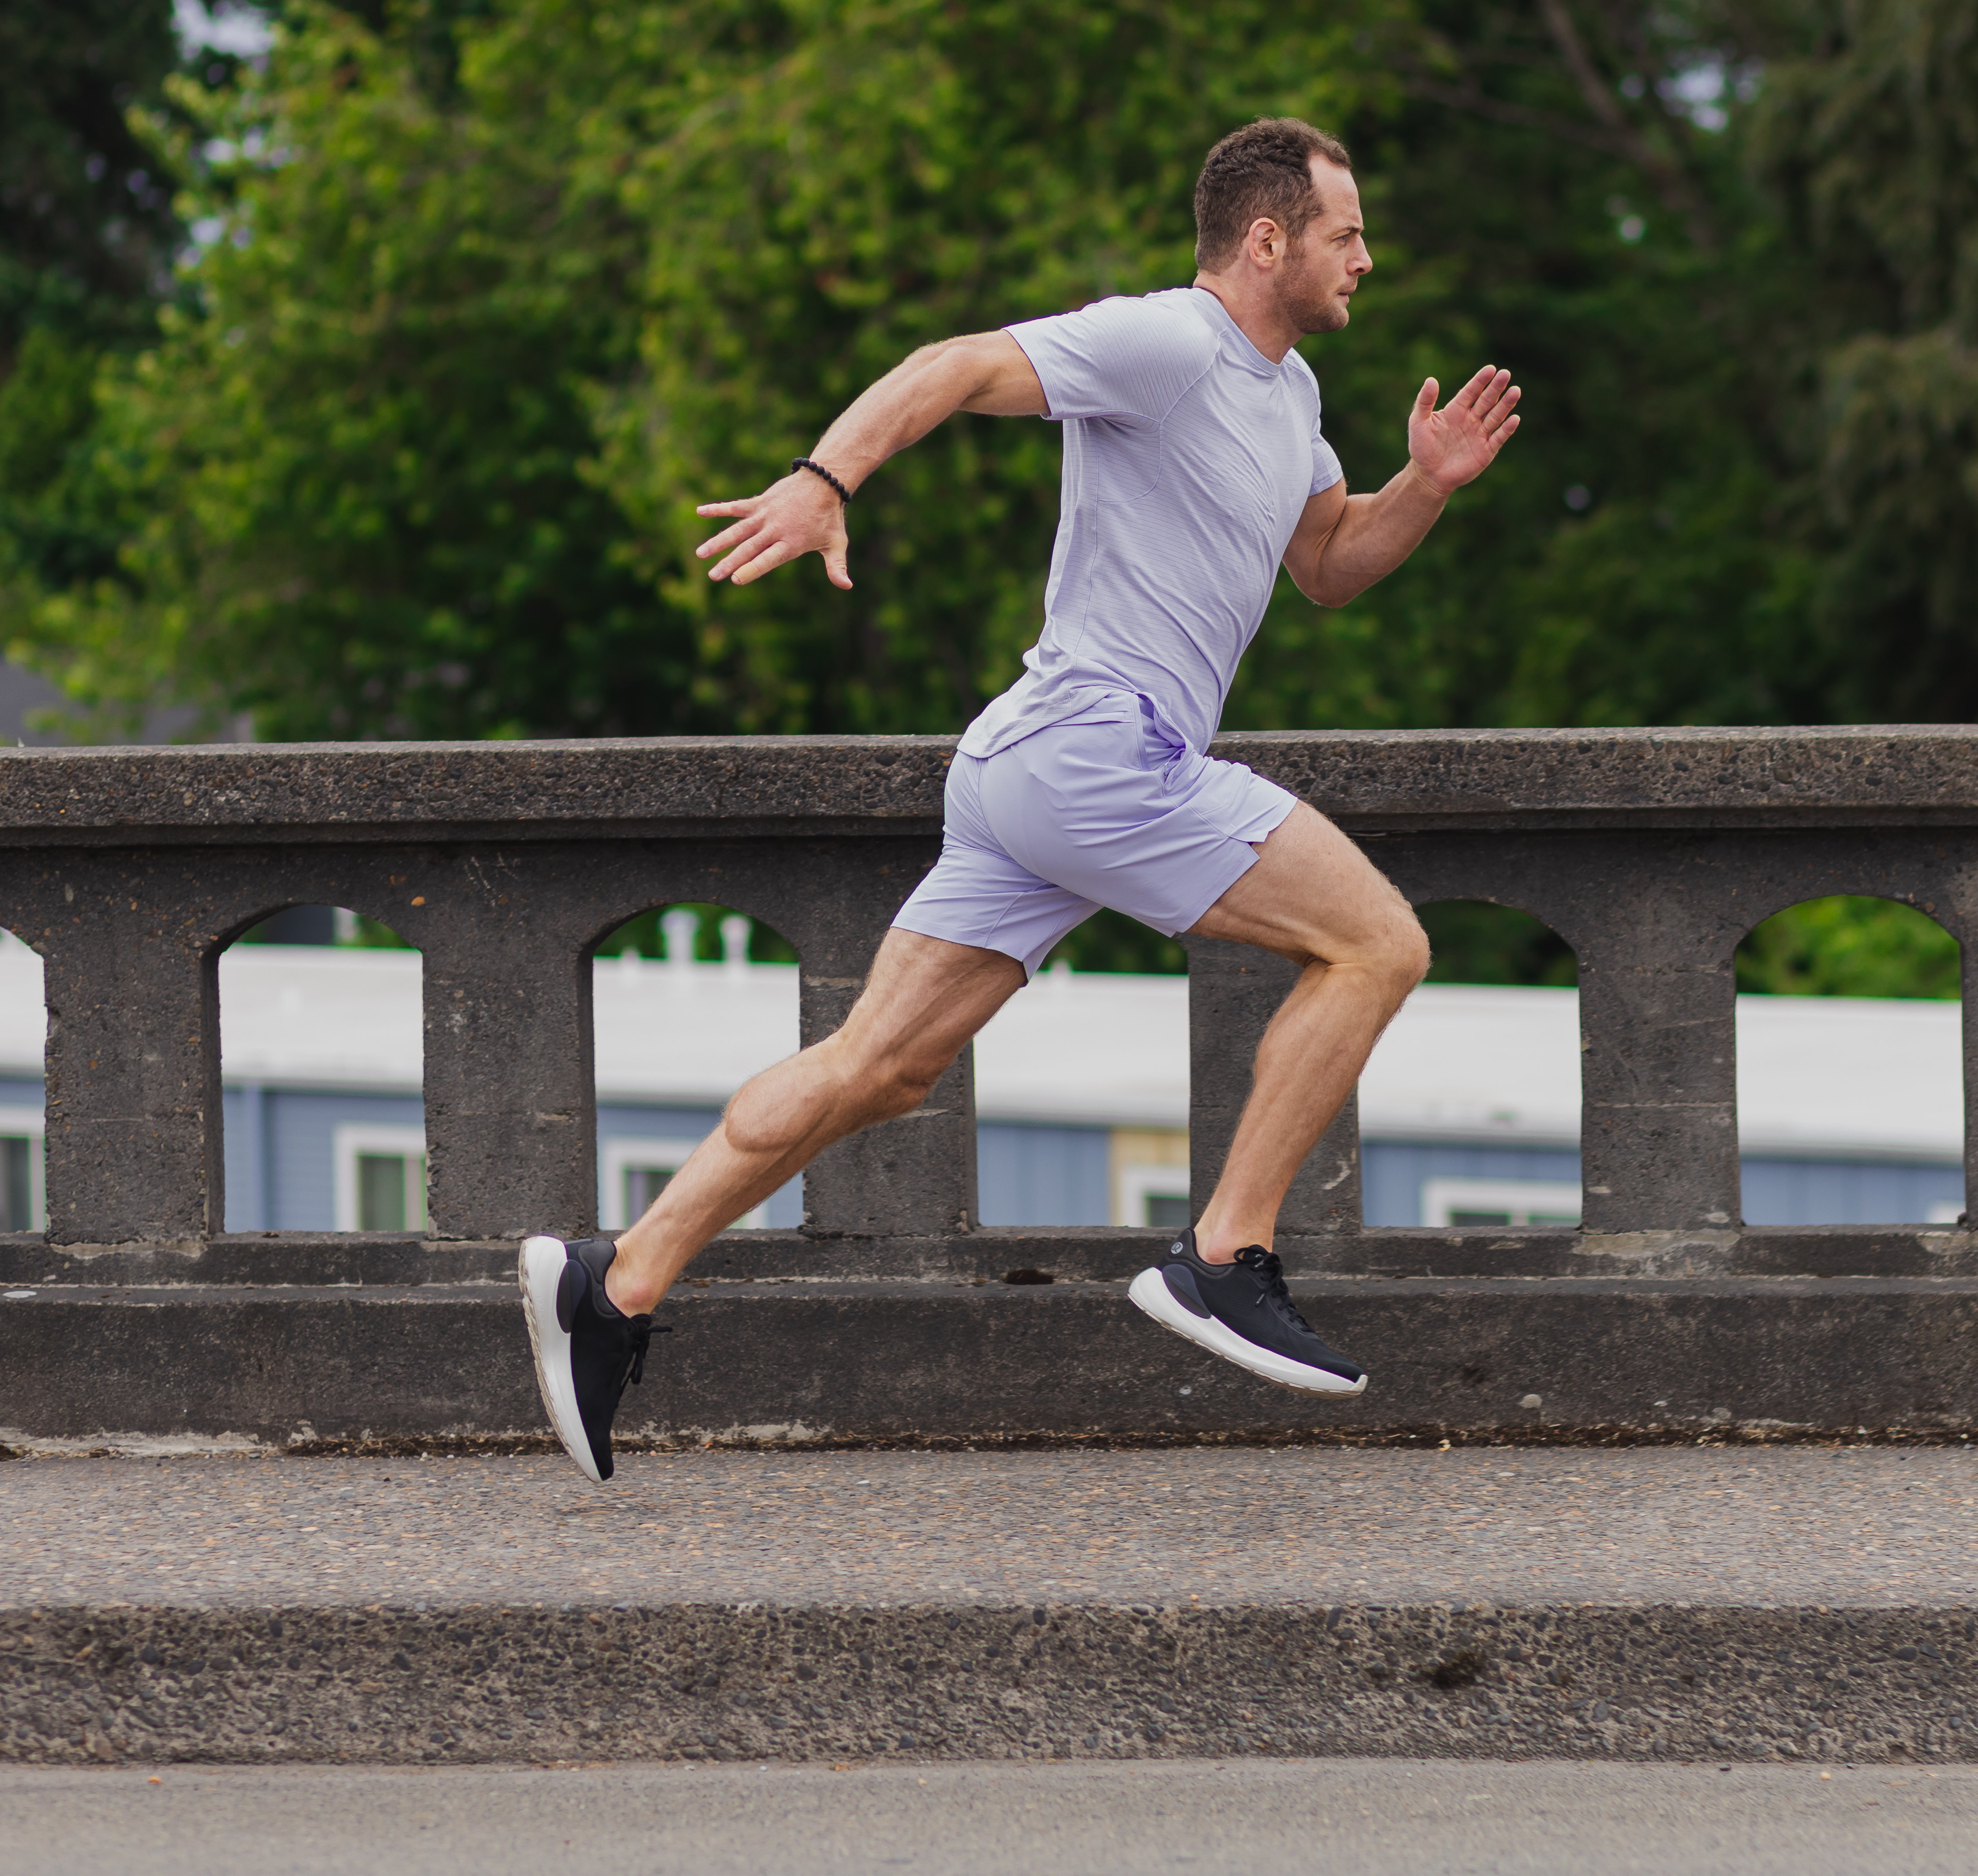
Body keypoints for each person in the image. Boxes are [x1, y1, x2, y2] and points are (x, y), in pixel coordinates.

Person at [521, 117, 1522, 1482]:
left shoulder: (1288, 401)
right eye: (1347, 233)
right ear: (1268, 239)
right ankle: (1224, 1254)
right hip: (1101, 750)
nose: (1368, 258)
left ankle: (616, 1281)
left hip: (1034, 768)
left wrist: (1427, 484)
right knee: (1379, 943)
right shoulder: (1168, 340)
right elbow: (956, 365)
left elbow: (1333, 566)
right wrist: (824, 482)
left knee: (884, 1068)